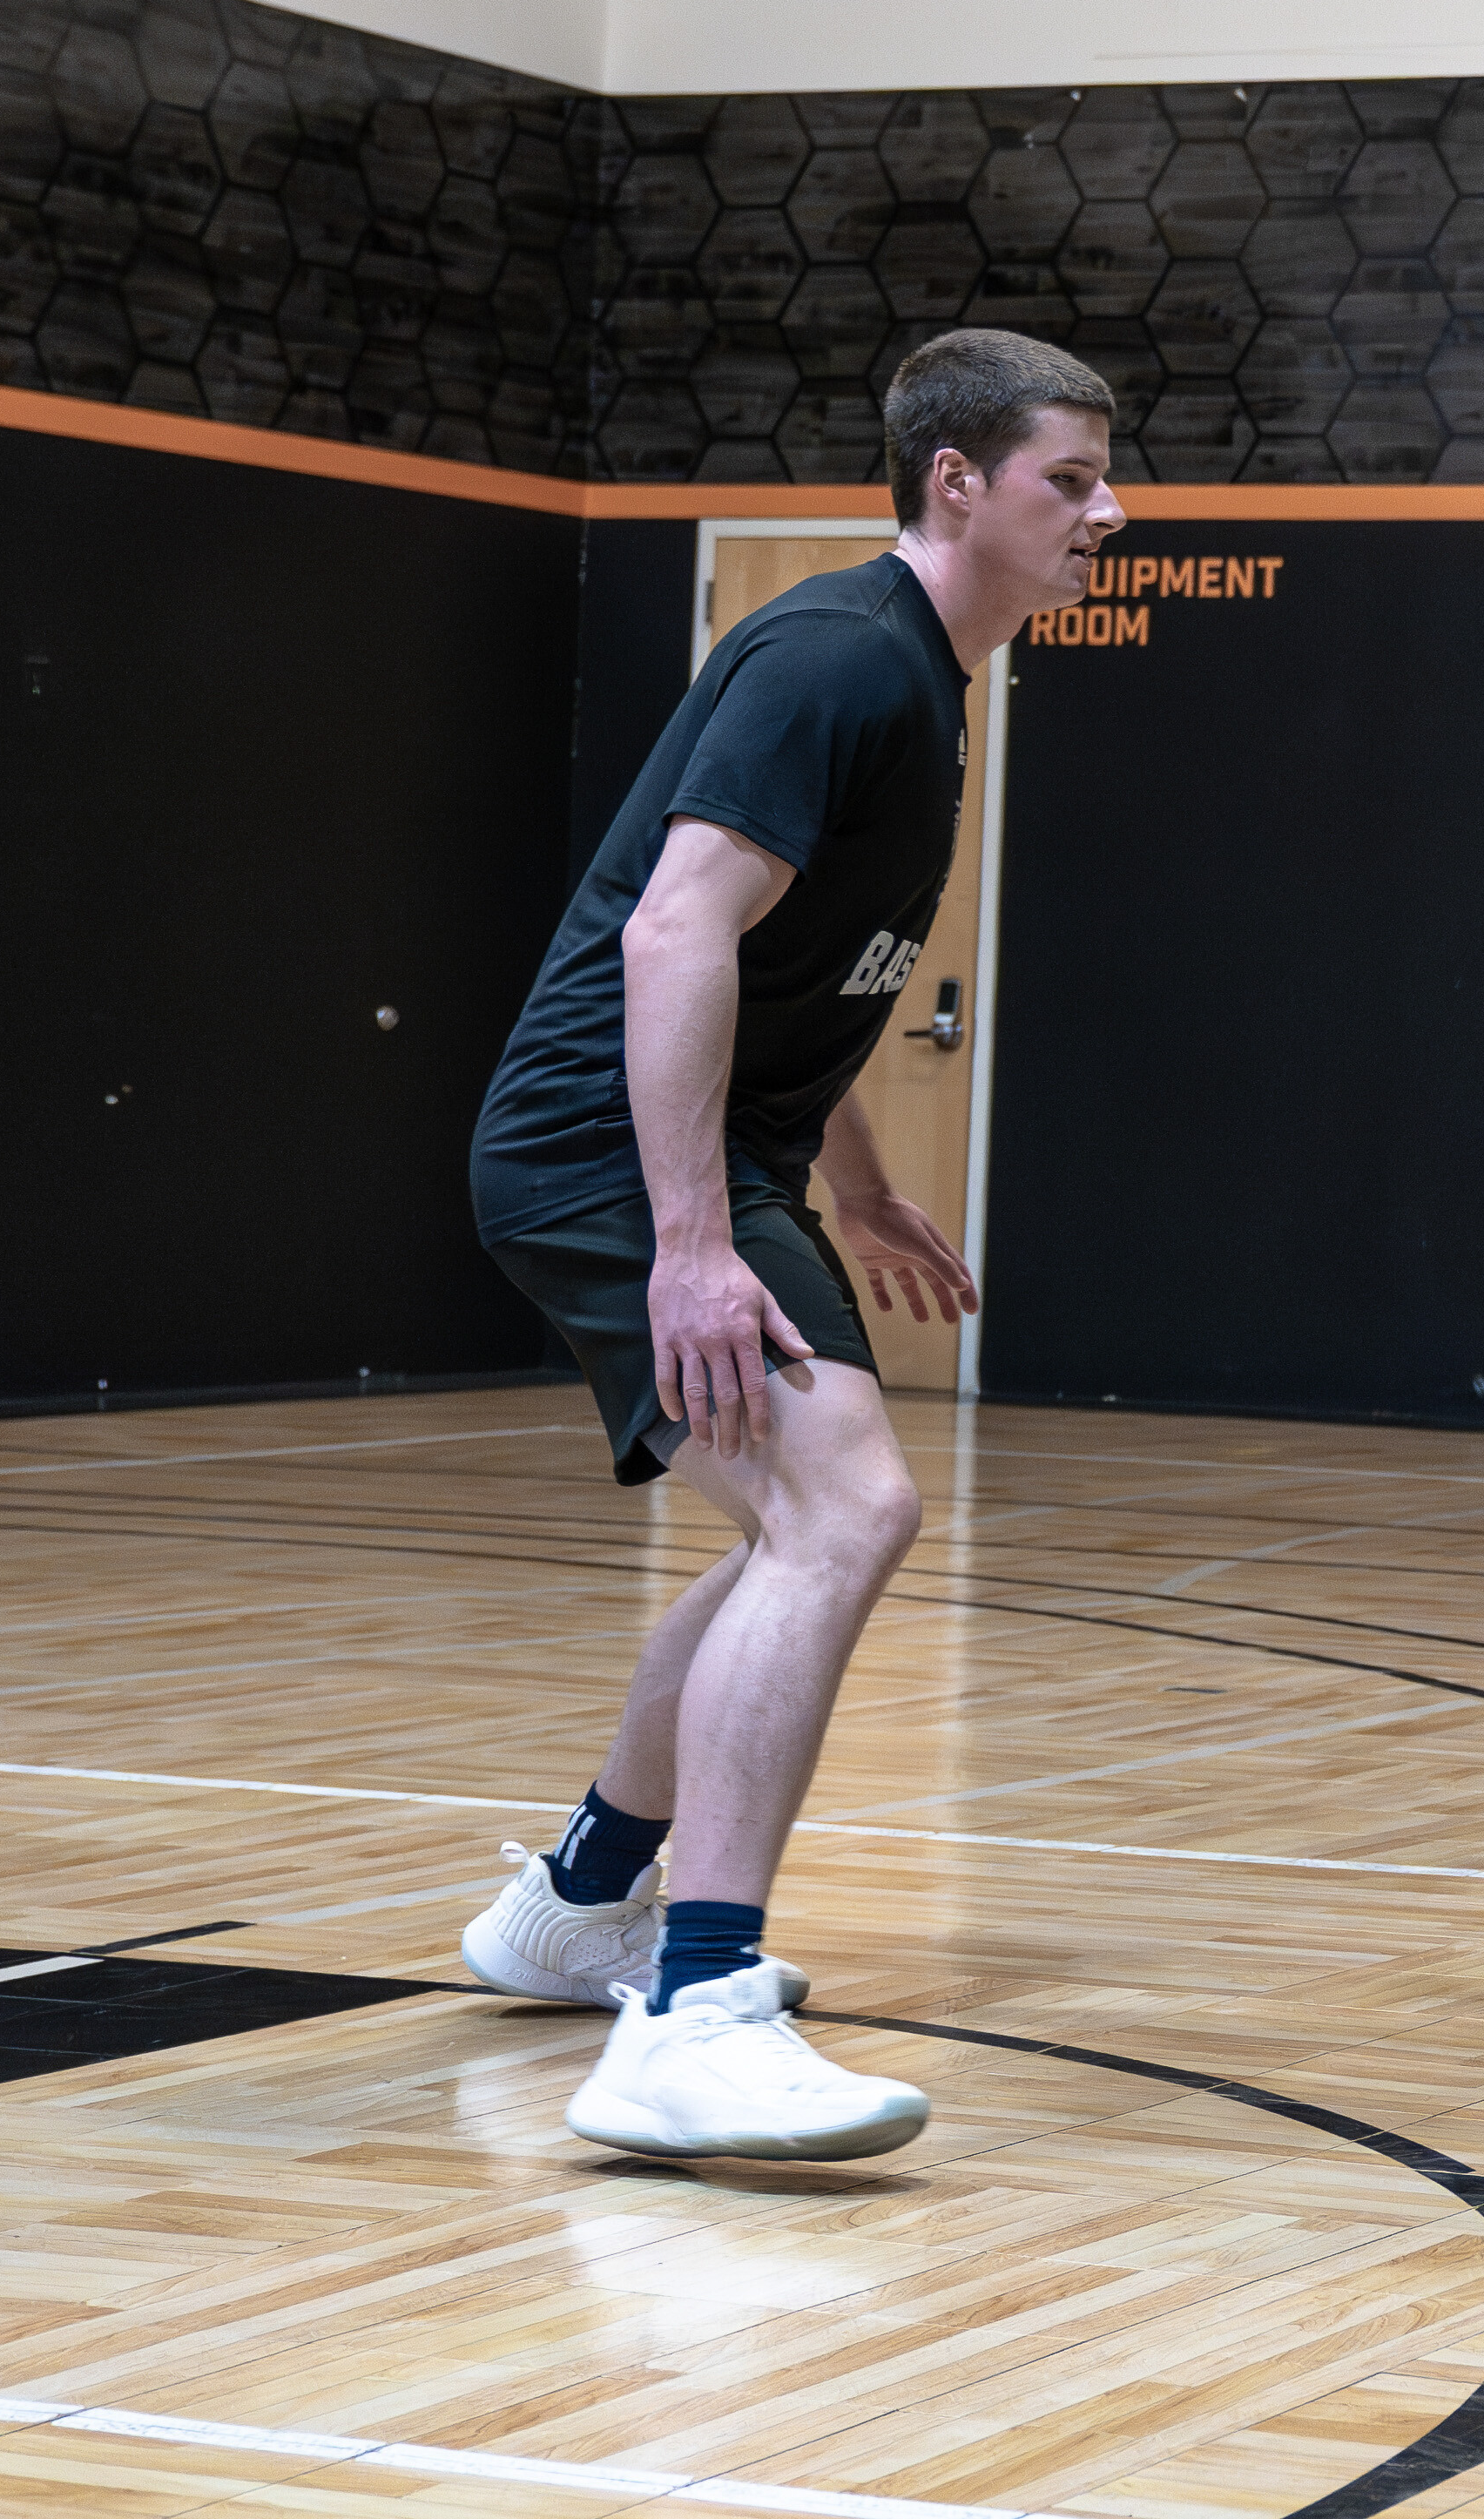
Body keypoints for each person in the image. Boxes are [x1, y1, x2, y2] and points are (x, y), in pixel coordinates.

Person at [456, 328, 1125, 2159]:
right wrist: (690, 1241)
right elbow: (676, 938)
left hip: (711, 1150)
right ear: (958, 483)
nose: (1108, 513)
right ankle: (689, 2010)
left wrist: (847, 1175)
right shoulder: (837, 658)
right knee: (846, 1508)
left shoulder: (932, 682)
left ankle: (580, 1903)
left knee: (796, 1528)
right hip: (610, 1150)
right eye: (1074, 480)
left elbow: (791, 967)